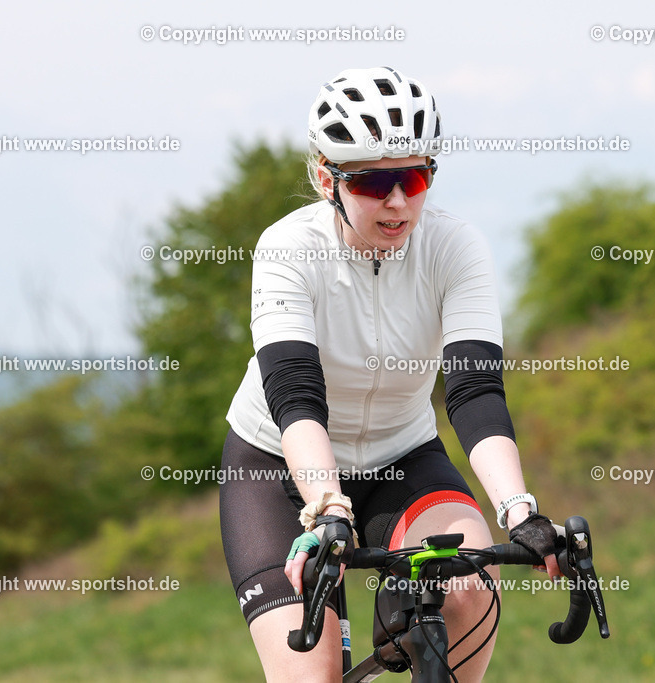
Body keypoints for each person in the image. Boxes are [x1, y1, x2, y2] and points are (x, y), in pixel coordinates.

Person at [220, 66, 562, 682]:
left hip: (401, 456)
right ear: (328, 179)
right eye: (375, 182)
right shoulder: (287, 249)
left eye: (416, 175)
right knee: (312, 673)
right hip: (277, 468)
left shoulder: (455, 248)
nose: (399, 201)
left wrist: (519, 511)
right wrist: (328, 505)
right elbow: (295, 397)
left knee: (466, 589)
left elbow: (475, 390)